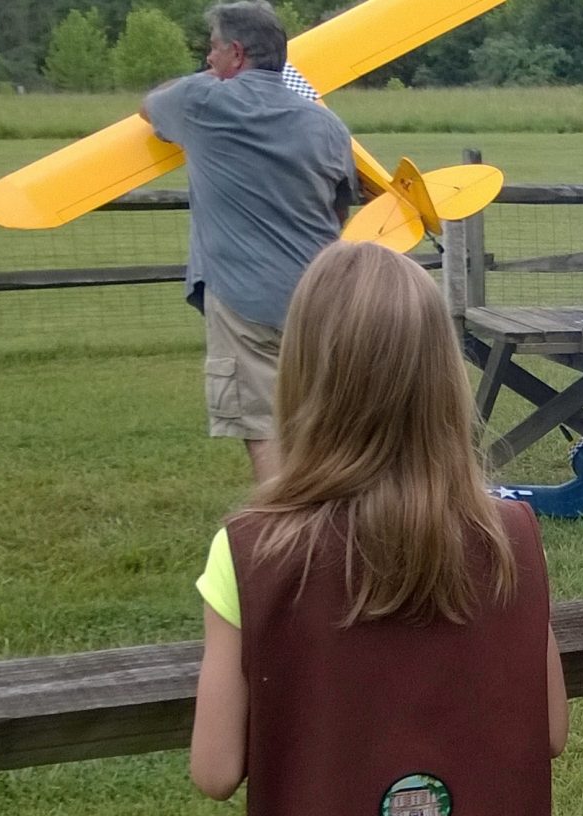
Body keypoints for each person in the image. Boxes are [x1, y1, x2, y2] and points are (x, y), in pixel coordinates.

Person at [187, 241, 569, 816]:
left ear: (303, 379)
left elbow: (215, 767)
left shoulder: (250, 551)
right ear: (444, 383)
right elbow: (550, 728)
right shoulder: (509, 539)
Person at [139, 0, 357, 485]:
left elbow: (149, 104)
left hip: (244, 301)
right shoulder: (328, 125)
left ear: (236, 53)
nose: (208, 60)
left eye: (213, 49)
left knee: (263, 424)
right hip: (322, 299)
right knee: (324, 422)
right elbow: (339, 209)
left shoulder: (200, 100)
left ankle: (286, 536)